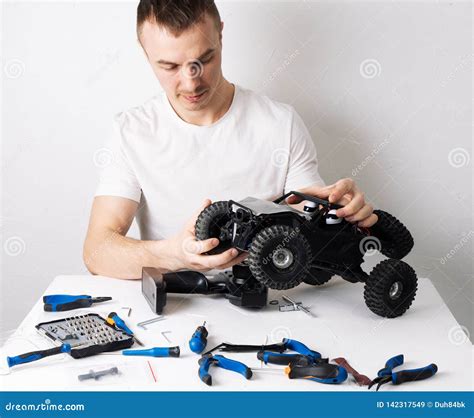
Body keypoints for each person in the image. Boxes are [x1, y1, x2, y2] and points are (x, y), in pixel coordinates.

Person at [83, 0, 377, 279]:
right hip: (175, 312)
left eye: (205, 58)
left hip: (270, 308)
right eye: (170, 66)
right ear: (144, 51)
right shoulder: (131, 132)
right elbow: (97, 252)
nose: (191, 82)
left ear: (221, 35)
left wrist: (341, 212)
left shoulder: (280, 124)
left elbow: (307, 218)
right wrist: (173, 255)